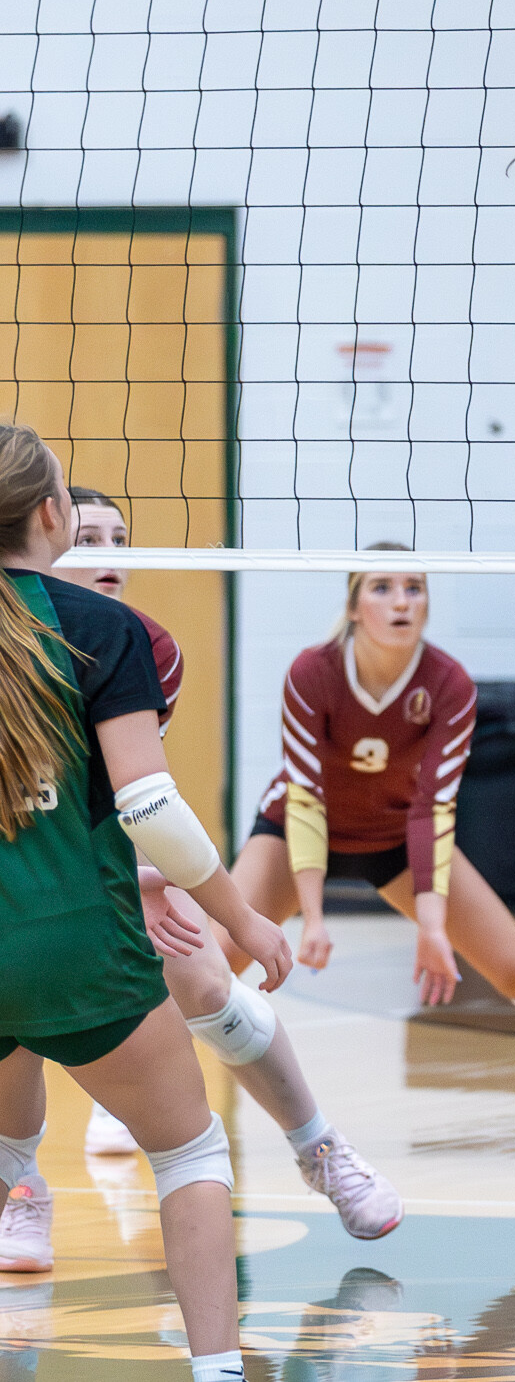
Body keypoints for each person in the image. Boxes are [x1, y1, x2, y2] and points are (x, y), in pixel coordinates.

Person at [0, 490, 400, 1276]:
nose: (110, 556)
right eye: (90, 538)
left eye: (122, 539)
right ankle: (24, 1188)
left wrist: (143, 880)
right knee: (19, 1021)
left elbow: (124, 793)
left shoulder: (141, 644)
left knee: (208, 981)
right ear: (44, 536)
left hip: (110, 854)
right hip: (32, 873)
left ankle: (319, 1147)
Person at [0, 423, 295, 1382]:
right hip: (77, 949)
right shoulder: (102, 628)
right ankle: (217, 1370)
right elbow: (151, 806)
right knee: (189, 1153)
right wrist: (241, 916)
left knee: (6, 1152)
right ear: (53, 514)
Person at [218, 549, 515, 1144]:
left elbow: (434, 806)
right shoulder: (312, 671)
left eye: (415, 587)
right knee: (208, 963)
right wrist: (314, 916)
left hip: (398, 835)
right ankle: (123, 1108)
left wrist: (432, 926)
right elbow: (304, 797)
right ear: (353, 607)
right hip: (298, 829)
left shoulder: (448, 683)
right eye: (382, 588)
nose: (401, 601)